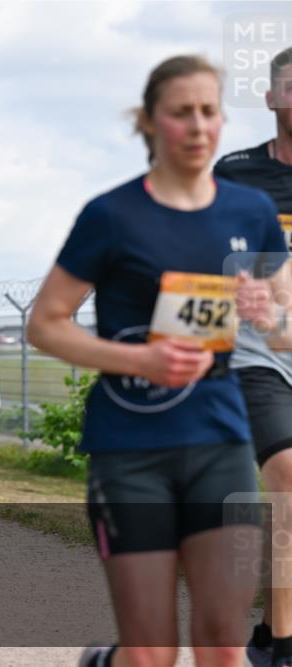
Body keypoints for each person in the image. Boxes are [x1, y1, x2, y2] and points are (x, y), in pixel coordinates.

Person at [26, 55, 289, 667]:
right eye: (180, 113)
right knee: (150, 654)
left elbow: (279, 321)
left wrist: (262, 308)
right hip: (130, 449)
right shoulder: (111, 216)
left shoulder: (249, 213)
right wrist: (138, 358)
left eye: (208, 111)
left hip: (220, 439)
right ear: (149, 123)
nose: (198, 127)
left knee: (223, 646)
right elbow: (45, 323)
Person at [214, 45, 292, 667]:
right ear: (270, 98)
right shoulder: (237, 174)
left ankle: (269, 634)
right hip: (258, 354)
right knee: (289, 476)